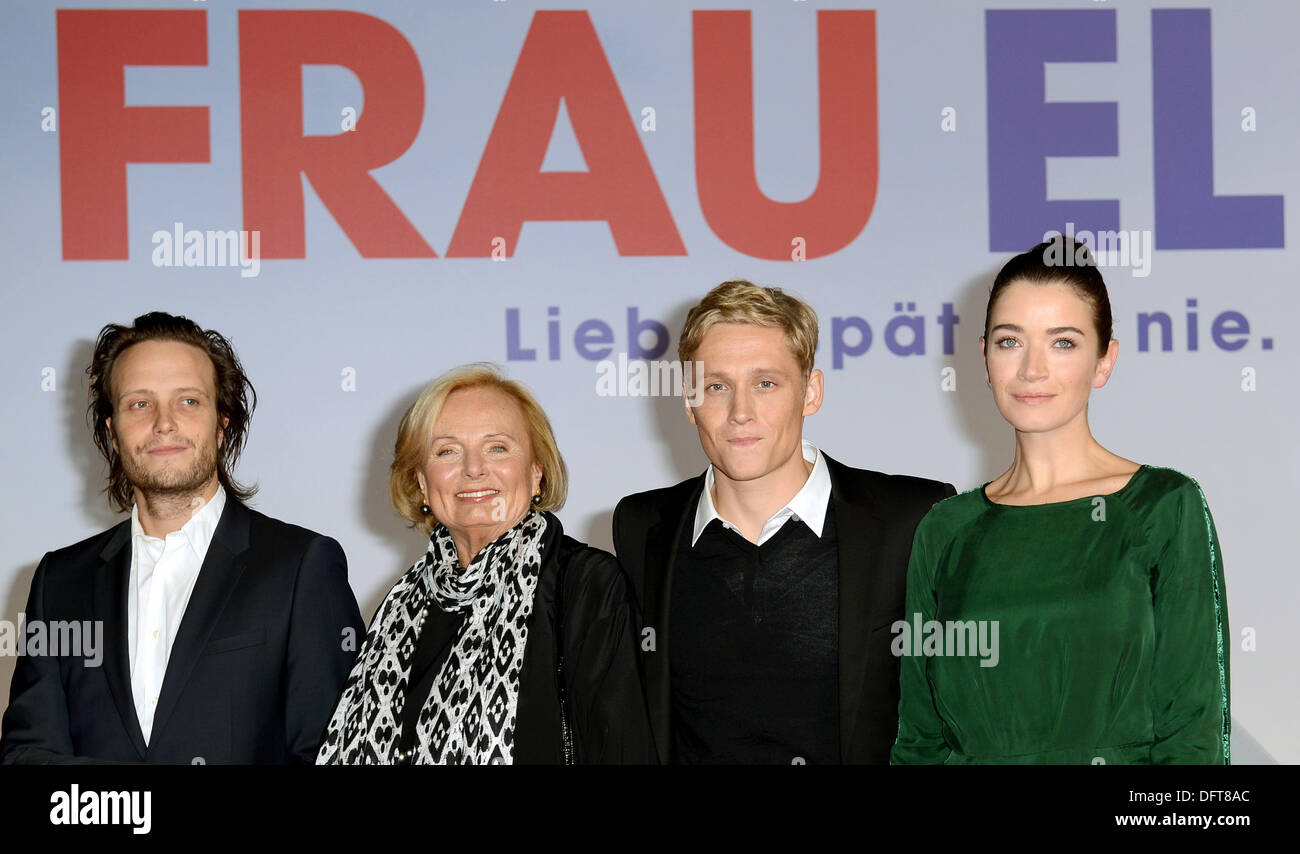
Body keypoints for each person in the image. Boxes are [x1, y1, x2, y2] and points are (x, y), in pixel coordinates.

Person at [891, 238, 1230, 764]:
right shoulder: (945, 529)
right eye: (1009, 342)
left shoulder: (1163, 507)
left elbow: (1194, 735)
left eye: (1063, 343)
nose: (1031, 369)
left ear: (1104, 360)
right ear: (984, 357)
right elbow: (918, 742)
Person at [613, 281, 955, 764]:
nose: (740, 413)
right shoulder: (642, 527)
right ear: (689, 402)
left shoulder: (913, 517)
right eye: (716, 387)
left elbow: (957, 713)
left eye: (766, 383)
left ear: (810, 392)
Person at [0, 312, 364, 764]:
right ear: (112, 433)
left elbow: (333, 754)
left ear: (223, 422)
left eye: (189, 401)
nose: (164, 423)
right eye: (139, 404)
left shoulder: (302, 568)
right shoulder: (59, 582)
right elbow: (28, 753)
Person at [317, 364, 653, 764]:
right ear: (423, 482)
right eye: (447, 451)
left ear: (537, 471)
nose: (474, 469)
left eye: (497, 447)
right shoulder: (400, 608)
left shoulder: (585, 585)